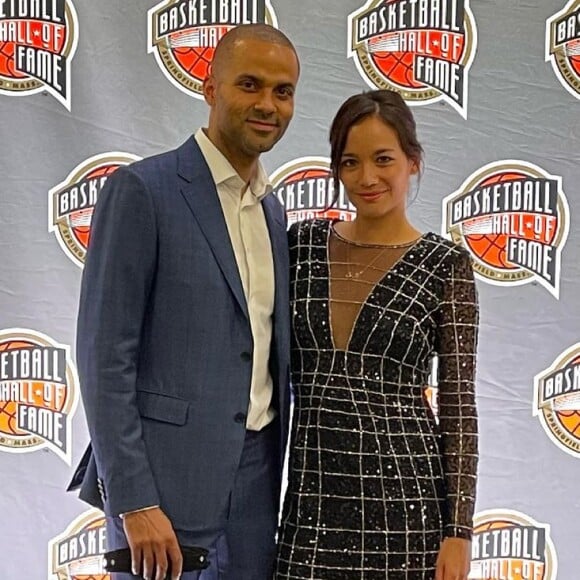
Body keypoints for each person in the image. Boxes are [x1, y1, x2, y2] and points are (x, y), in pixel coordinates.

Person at [69, 24, 300, 580]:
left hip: (257, 486)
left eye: (283, 90)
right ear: (209, 87)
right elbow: (104, 357)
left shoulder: (274, 213)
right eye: (250, 84)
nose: (267, 104)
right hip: (160, 494)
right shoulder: (142, 191)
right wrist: (133, 500)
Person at [276, 90, 479, 580]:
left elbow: (457, 404)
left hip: (406, 510)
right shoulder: (300, 244)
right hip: (311, 502)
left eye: (383, 159)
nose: (366, 178)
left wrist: (458, 531)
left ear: (412, 162)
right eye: (350, 162)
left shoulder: (445, 266)